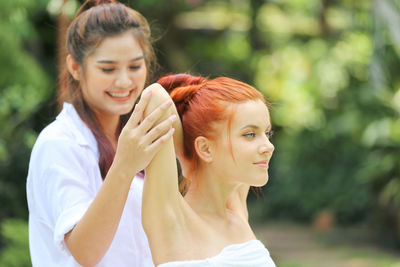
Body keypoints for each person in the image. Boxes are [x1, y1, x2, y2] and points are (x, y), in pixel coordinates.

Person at [26, 1, 177, 266]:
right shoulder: (59, 144)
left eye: (134, 67)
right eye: (108, 69)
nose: (123, 81)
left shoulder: (136, 138)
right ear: (75, 67)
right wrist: (125, 165)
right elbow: (86, 252)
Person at [141, 74, 276, 266]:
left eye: (267, 133)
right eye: (250, 134)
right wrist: (190, 160)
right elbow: (155, 96)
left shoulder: (235, 210)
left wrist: (195, 161)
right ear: (205, 148)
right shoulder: (172, 220)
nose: (268, 146)